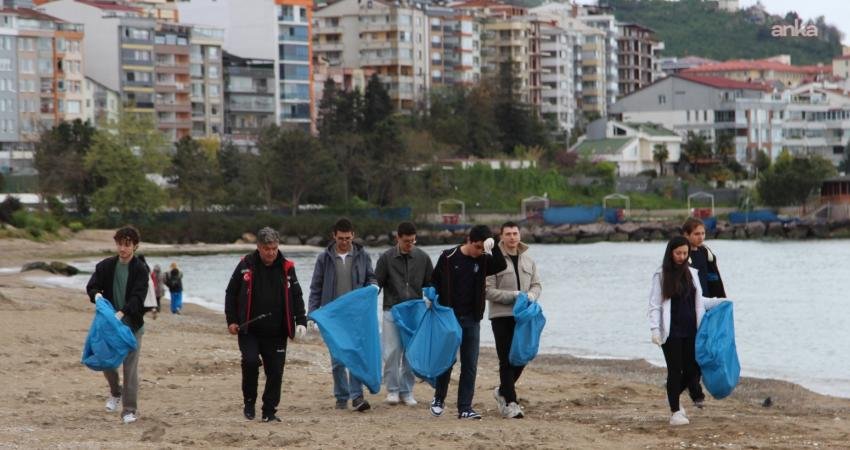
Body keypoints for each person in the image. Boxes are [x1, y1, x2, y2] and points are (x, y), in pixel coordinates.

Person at [225, 227, 307, 423]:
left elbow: (297, 295)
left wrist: (301, 320)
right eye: (266, 248)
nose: (271, 252)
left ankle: (269, 411)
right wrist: (232, 320)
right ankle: (249, 402)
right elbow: (231, 293)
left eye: (274, 248)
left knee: (275, 371)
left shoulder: (287, 267)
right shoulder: (246, 265)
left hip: (277, 331)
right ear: (258, 247)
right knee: (251, 362)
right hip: (249, 329)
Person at [429, 224, 507, 420]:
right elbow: (434, 280)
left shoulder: (484, 259)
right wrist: (430, 295)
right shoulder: (448, 256)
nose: (480, 251)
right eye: (478, 247)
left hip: (472, 318)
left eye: (484, 248)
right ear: (469, 241)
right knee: (447, 361)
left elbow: (501, 265)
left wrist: (493, 245)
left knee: (470, 364)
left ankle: (465, 407)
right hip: (449, 318)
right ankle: (439, 399)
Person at [648, 236, 726, 426]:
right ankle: (675, 412)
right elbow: (654, 306)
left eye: (685, 253)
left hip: (692, 330)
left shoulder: (692, 273)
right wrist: (655, 330)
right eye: (678, 253)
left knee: (694, 368)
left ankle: (672, 395)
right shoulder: (661, 275)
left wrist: (721, 302)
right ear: (670, 253)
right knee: (675, 371)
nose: (682, 256)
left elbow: (701, 301)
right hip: (671, 332)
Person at [308, 218, 377, 412]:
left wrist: (374, 286)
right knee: (338, 359)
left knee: (355, 354)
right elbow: (315, 288)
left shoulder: (363, 256)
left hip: (356, 315)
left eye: (348, 238)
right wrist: (312, 314)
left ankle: (357, 397)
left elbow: (370, 277)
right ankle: (341, 397)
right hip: (333, 317)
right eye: (341, 238)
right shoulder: (324, 258)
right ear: (334, 236)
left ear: (353, 235)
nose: (344, 241)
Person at [85, 226, 150, 425]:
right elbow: (92, 285)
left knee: (130, 368)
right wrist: (96, 295)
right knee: (106, 361)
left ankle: (129, 410)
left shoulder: (140, 269)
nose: (122, 248)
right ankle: (115, 392)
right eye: (120, 244)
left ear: (135, 246)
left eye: (127, 244)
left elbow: (138, 297)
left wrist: (122, 312)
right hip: (109, 325)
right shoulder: (105, 266)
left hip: (132, 325)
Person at [485, 222, 542, 419]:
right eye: (508, 234)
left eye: (515, 233)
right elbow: (487, 291)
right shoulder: (493, 259)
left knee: (523, 356)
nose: (512, 237)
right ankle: (511, 402)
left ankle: (502, 390)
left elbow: (536, 284)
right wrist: (514, 295)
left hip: (524, 316)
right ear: (501, 236)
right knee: (506, 359)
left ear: (519, 235)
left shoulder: (528, 259)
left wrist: (533, 296)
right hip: (501, 316)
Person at [375, 221, 434, 407]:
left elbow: (431, 284)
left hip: (415, 312)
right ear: (398, 238)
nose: (410, 244)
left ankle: (407, 391)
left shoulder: (423, 258)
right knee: (392, 352)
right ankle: (392, 390)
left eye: (413, 241)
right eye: (406, 241)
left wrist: (431, 298)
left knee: (410, 353)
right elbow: (377, 284)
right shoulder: (385, 258)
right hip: (391, 309)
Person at [681, 217, 727, 408]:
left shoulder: (706, 253)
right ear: (686, 235)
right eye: (696, 234)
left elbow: (714, 278)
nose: (701, 237)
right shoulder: (681, 255)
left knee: (706, 349)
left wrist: (721, 302)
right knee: (692, 352)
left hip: (707, 306)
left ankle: (692, 387)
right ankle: (694, 391)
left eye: (703, 233)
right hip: (688, 310)